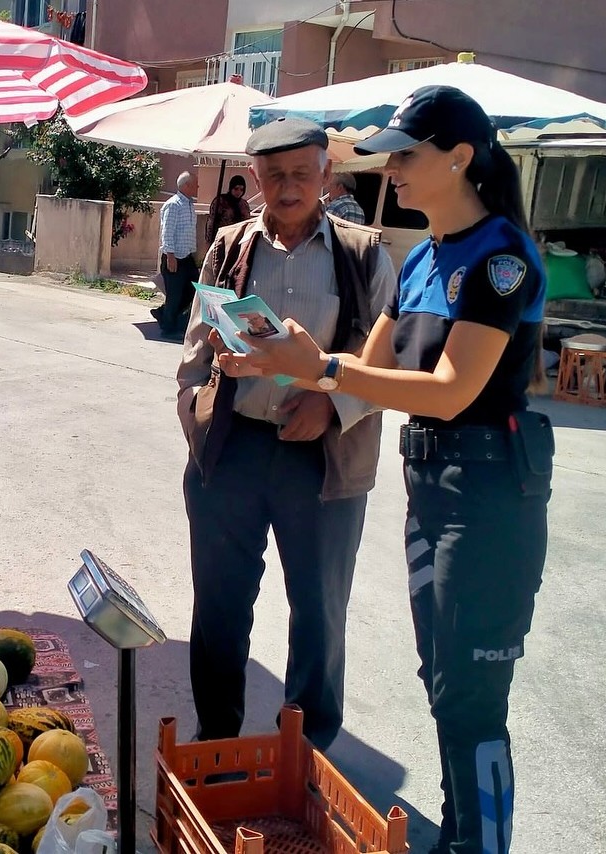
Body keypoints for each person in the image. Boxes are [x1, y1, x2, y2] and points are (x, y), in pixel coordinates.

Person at [218, 86, 554, 854]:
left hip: (491, 492)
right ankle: (455, 841)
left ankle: (479, 846)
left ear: (460, 157)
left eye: (407, 153)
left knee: (472, 699)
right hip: (429, 488)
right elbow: (365, 371)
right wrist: (281, 359)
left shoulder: (499, 259)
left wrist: (325, 368)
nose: (391, 168)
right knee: (442, 687)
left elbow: (451, 389)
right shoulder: (424, 258)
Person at [175, 116, 395, 752]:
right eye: (275, 176)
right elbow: (198, 336)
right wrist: (195, 404)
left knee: (320, 610)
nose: (289, 186)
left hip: (323, 457)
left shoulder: (363, 253)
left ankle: (306, 747)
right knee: (218, 605)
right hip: (234, 446)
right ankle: (215, 736)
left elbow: (385, 357)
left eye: (303, 173)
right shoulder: (229, 245)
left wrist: (331, 406)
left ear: (327, 175)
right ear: (255, 180)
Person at [154, 171, 200, 338]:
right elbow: (167, 232)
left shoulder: (188, 204)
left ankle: (164, 313)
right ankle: (168, 328)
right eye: (195, 184)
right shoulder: (173, 205)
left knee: (194, 288)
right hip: (174, 257)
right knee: (175, 295)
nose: (198, 187)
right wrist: (170, 256)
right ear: (186, 186)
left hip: (187, 256)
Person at [206, 175, 252, 244]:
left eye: (241, 189)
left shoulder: (244, 204)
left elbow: (248, 223)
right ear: (231, 188)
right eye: (236, 189)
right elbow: (211, 222)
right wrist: (209, 241)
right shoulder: (220, 201)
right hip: (222, 240)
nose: (239, 192)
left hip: (239, 241)